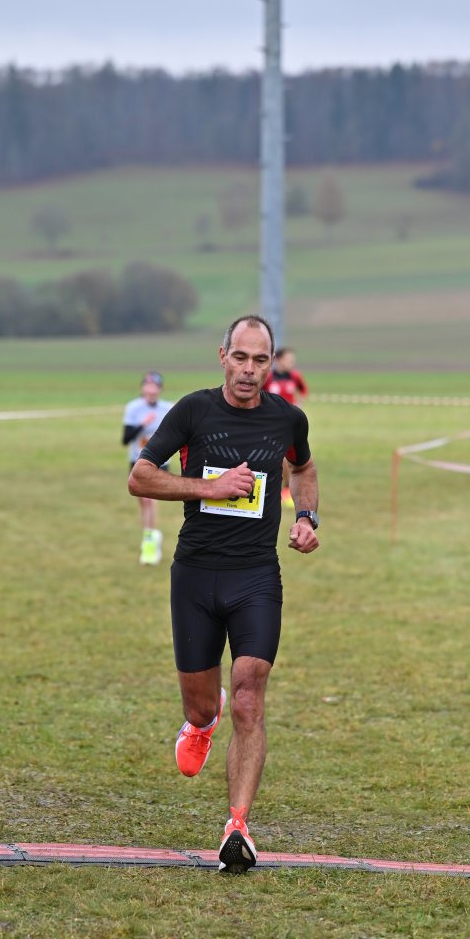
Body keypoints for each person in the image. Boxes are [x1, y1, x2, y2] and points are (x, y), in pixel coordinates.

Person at [128, 315, 320, 873]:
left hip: (256, 576)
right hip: (195, 576)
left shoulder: (288, 418)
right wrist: (209, 487)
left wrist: (306, 517)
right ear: (223, 356)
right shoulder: (193, 411)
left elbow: (304, 468)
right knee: (205, 704)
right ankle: (201, 724)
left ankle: (237, 825)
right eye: (240, 357)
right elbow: (141, 476)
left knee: (249, 697)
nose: (249, 370)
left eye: (260, 360)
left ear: (270, 363)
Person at [122, 372, 173, 565]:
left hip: (160, 462)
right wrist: (143, 424)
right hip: (138, 461)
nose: (151, 390)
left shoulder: (167, 408)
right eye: (148, 386)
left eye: (155, 387)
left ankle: (149, 544)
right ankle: (151, 535)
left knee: (148, 499)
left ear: (159, 389)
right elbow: (126, 438)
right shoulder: (133, 408)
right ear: (143, 388)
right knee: (144, 502)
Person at [266, 346, 309, 507]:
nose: (292, 363)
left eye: (293, 360)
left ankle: (285, 491)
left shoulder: (295, 376)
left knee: (289, 459)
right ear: (278, 359)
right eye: (288, 360)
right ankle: (275, 489)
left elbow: (303, 390)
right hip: (271, 424)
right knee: (275, 458)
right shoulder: (269, 378)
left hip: (289, 425)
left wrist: (299, 404)